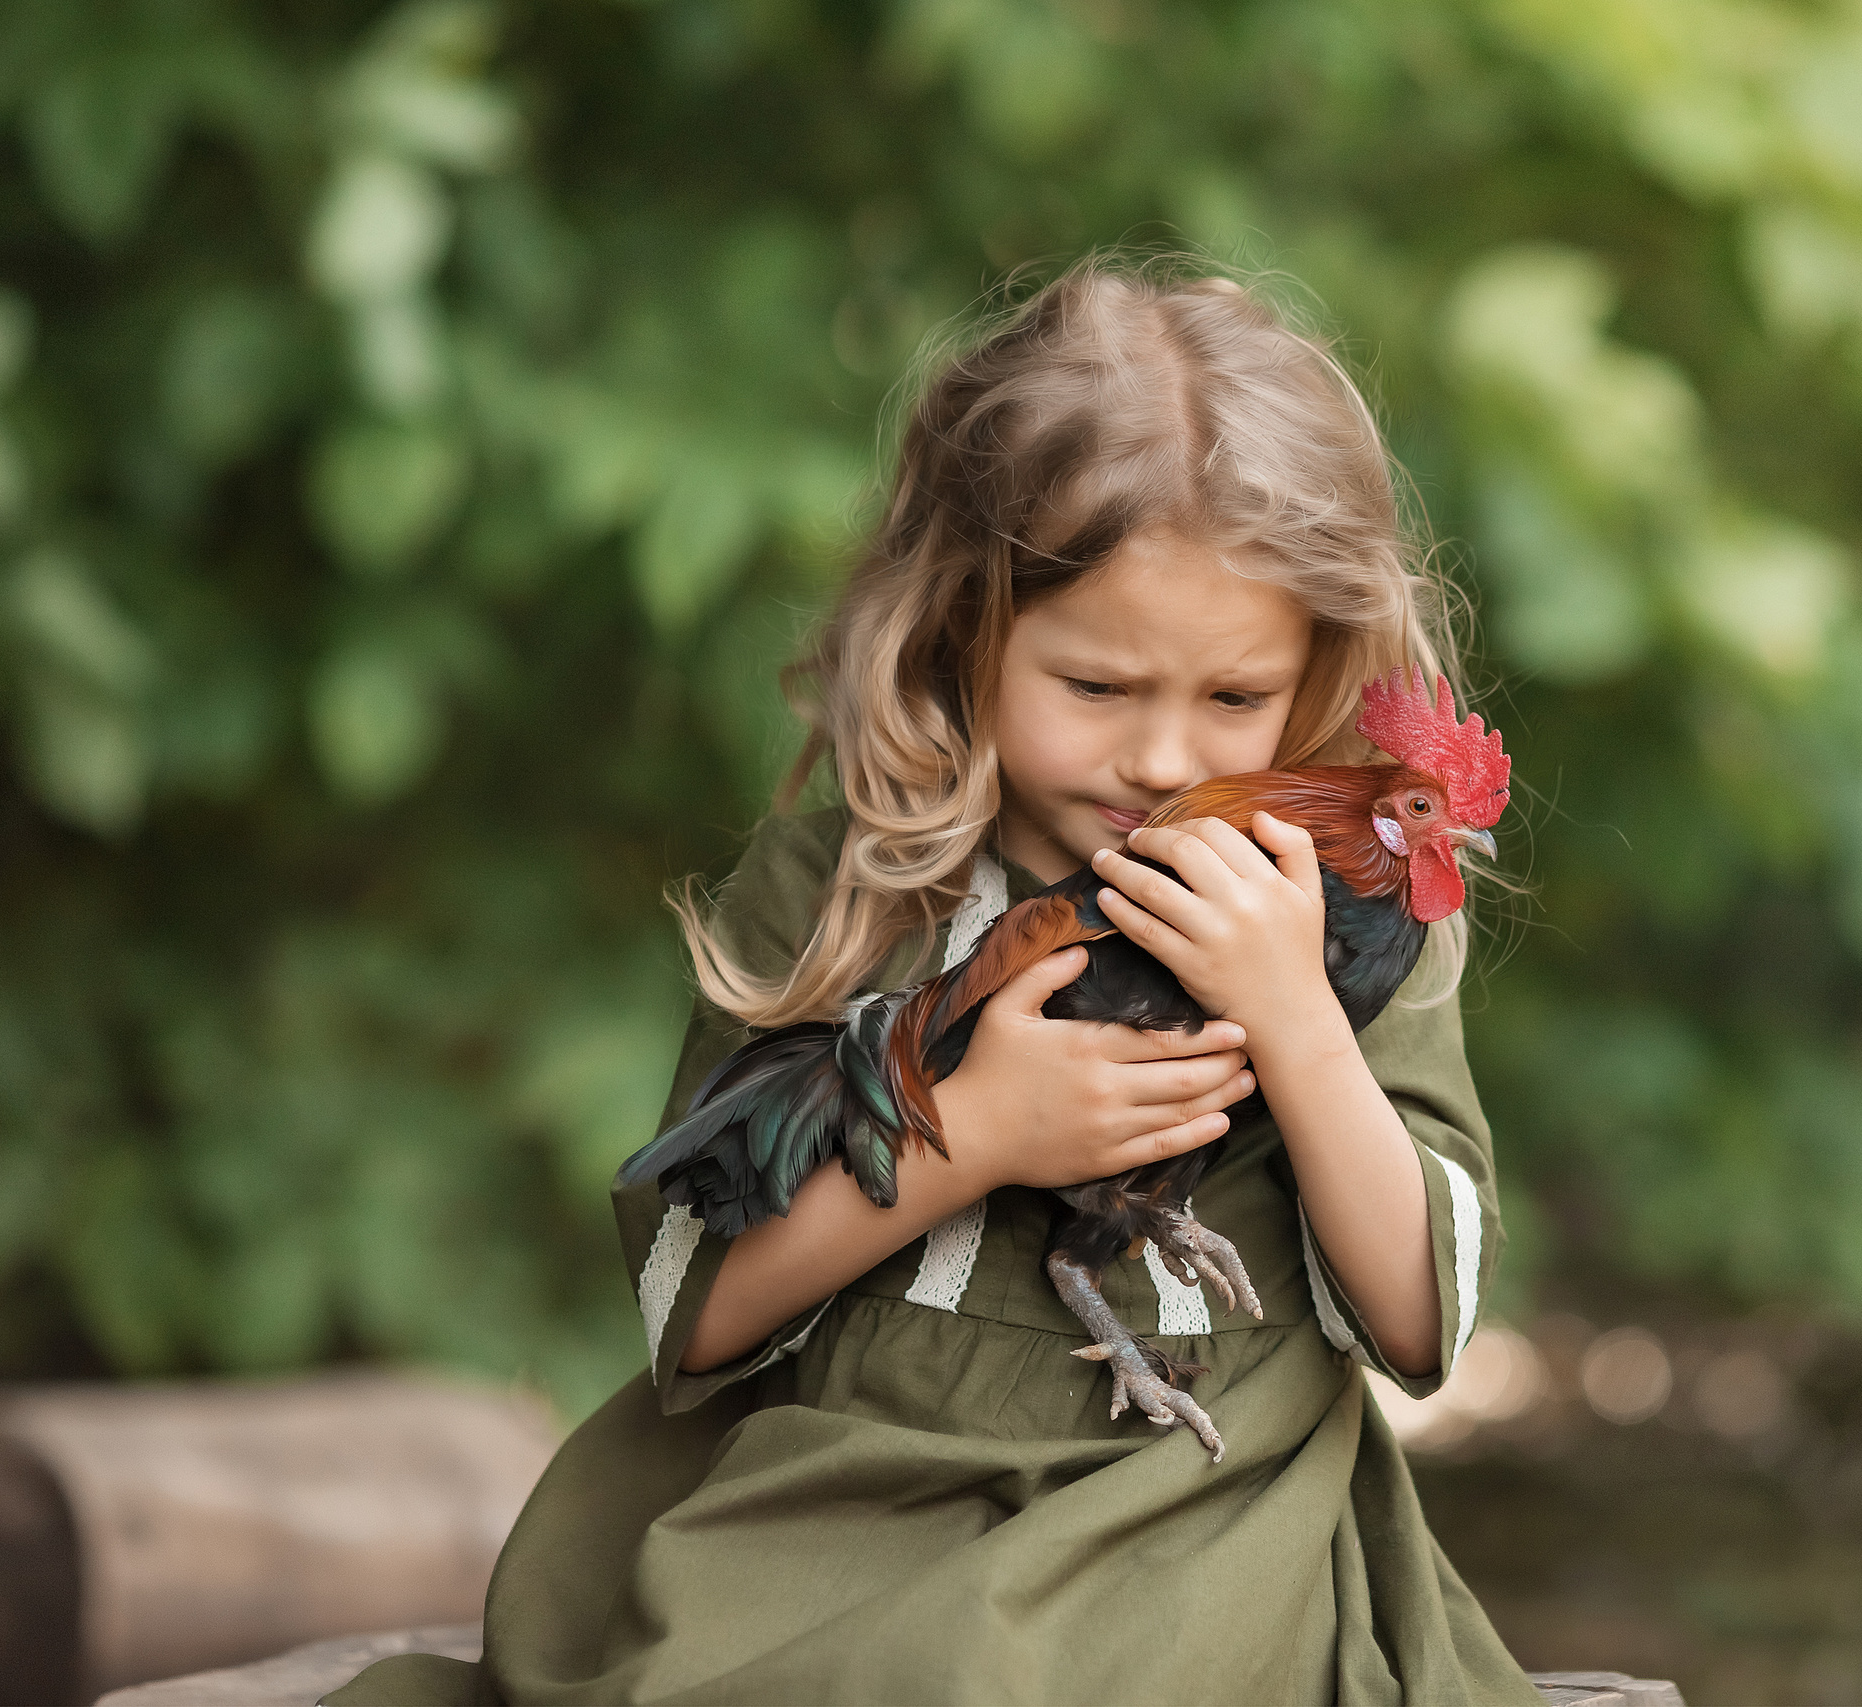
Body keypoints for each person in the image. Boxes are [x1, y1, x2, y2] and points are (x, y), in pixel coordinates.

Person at [326, 258, 1545, 1706]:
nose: (1162, 757)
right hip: (849, 1468)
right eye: (1097, 688)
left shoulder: (1344, 905)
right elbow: (695, 1314)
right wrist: (982, 1132)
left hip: (1197, 1494)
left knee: (985, 1677)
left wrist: (1294, 1017)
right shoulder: (850, 879)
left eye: (1232, 698)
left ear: (1314, 665)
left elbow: (1418, 1327)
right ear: (972, 626)